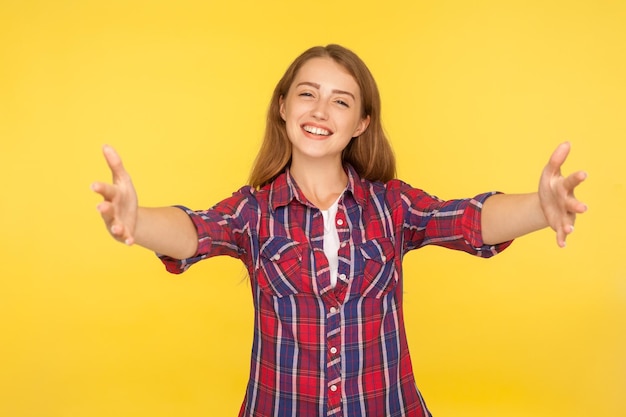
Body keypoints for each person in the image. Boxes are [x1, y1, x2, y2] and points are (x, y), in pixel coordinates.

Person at [91, 44, 587, 417]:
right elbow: (194, 232)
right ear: (283, 106)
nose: (320, 111)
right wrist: (137, 220)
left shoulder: (391, 205)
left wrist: (540, 208)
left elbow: (469, 220)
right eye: (307, 94)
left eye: (341, 101)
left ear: (361, 123)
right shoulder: (254, 212)